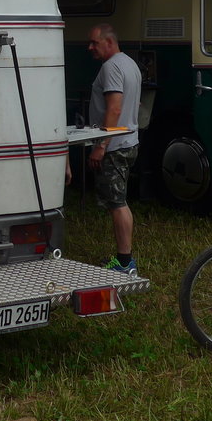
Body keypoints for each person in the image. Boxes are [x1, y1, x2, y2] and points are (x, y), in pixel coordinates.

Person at [86, 23, 141, 275]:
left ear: (109, 42)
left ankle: (124, 262)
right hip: (129, 142)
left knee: (118, 203)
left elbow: (115, 108)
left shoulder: (111, 67)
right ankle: (124, 258)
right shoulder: (129, 63)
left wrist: (101, 145)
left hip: (116, 145)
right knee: (118, 201)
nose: (90, 48)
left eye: (94, 43)